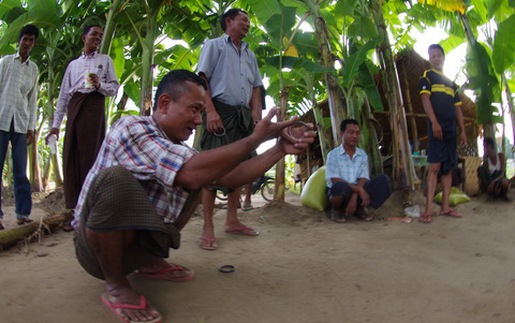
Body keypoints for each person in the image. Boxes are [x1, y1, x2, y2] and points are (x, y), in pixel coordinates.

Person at [72, 70, 314, 323]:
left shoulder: (179, 149)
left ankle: (150, 263)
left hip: (136, 250)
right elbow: (190, 174)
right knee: (117, 179)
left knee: (202, 175)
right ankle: (116, 286)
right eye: (194, 109)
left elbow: (230, 177)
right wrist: (255, 139)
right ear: (165, 104)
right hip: (94, 254)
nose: (199, 120)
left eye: (201, 112)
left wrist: (279, 149)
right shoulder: (131, 127)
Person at [197, 8, 264, 250]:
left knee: (241, 166)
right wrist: (210, 111)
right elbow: (201, 79)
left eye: (249, 21)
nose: (248, 24)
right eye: (244, 20)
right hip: (220, 112)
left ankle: (232, 220)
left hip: (243, 116)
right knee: (212, 170)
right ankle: (207, 228)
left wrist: (256, 111)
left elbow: (257, 86)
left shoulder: (250, 54)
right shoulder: (214, 46)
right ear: (229, 21)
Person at [48, 24, 119, 231]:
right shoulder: (73, 65)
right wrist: (55, 126)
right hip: (75, 107)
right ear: (84, 37)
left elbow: (113, 88)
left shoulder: (105, 61)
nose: (97, 38)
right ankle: (74, 212)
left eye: (100, 36)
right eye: (94, 34)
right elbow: (63, 97)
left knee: (92, 158)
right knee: (71, 157)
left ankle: (91, 214)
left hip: (94, 109)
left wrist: (99, 85)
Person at [419, 44, 467, 223]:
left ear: (444, 57)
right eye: (432, 56)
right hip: (436, 127)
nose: (435, 58)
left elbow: (458, 110)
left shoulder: (452, 84)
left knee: (448, 169)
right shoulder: (427, 77)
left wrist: (462, 130)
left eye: (438, 55)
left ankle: (445, 207)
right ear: (430, 59)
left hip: (451, 129)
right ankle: (428, 209)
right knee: (434, 167)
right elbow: (425, 100)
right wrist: (434, 122)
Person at [0, 24, 39, 230]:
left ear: (34, 44)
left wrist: (31, 128)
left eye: (31, 40)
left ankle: (22, 214)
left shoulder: (33, 69)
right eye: (25, 39)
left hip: (21, 124)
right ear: (19, 41)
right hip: (1, 121)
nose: (27, 43)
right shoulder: (5, 62)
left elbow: (32, 100)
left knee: (20, 171)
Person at [325, 119, 391, 223]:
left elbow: (363, 178)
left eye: (357, 133)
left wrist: (355, 196)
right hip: (341, 192)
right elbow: (335, 180)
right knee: (340, 186)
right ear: (342, 133)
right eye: (351, 132)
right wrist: (359, 190)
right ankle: (337, 210)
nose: (355, 136)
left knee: (384, 181)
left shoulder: (362, 155)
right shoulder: (333, 155)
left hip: (358, 191)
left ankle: (359, 208)